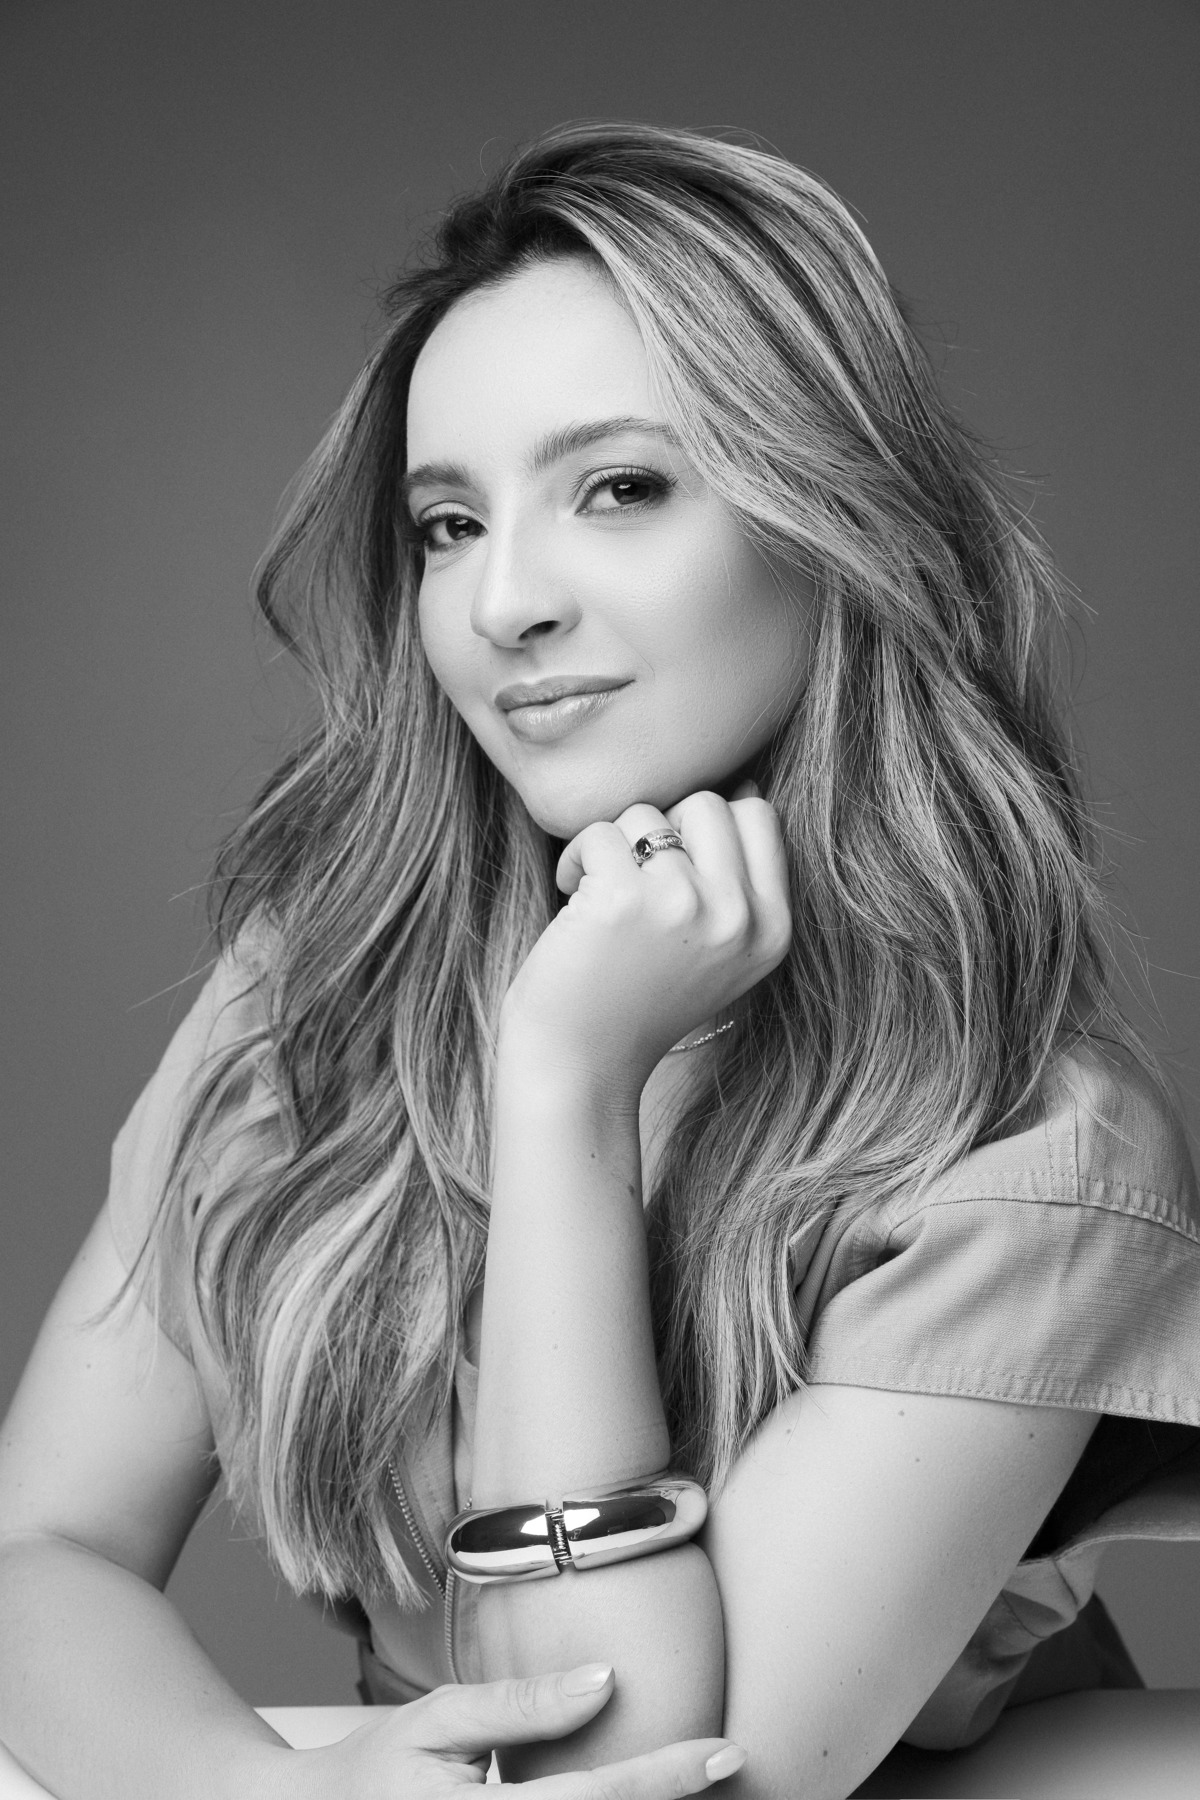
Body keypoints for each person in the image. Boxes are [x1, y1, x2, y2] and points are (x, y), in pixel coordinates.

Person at [1, 120, 1198, 1800]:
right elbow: (39, 1547)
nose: (504, 604)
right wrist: (275, 1793)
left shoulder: (1035, 1161)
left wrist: (563, 1087)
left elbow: (629, 1774)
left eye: (620, 489)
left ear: (833, 520)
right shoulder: (321, 982)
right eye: (446, 524)